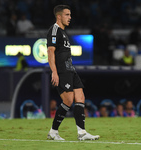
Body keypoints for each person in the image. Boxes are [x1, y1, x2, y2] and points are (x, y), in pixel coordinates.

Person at [47, 5, 100, 141]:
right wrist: (54, 72)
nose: (70, 17)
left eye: (70, 15)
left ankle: (82, 132)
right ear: (59, 16)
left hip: (71, 69)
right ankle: (53, 132)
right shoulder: (54, 30)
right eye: (67, 15)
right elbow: (50, 51)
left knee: (80, 96)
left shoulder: (64, 32)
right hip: (62, 70)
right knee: (68, 100)